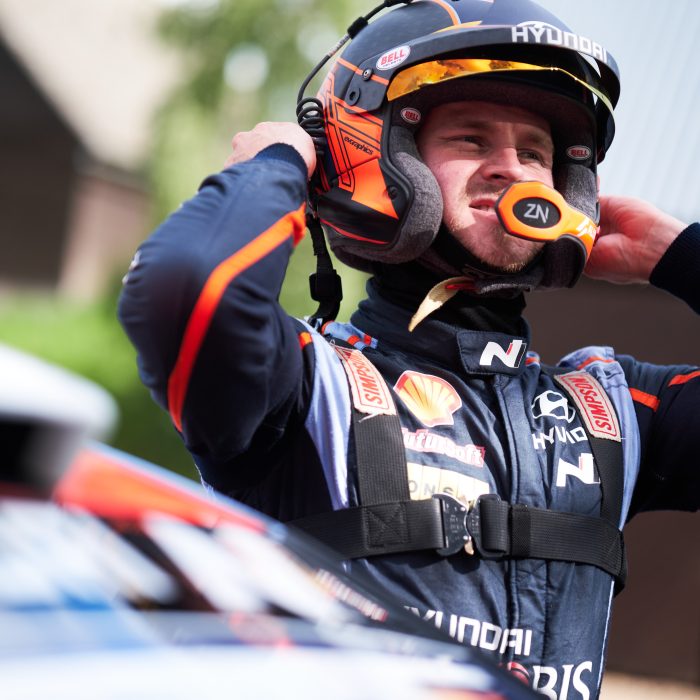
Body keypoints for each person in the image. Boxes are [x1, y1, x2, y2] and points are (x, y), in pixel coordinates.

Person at [118, 0, 699, 697]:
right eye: (471, 140)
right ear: (382, 159)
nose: (510, 169)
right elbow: (186, 285)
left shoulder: (618, 412)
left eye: (535, 153)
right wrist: (279, 165)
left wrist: (678, 254)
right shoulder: (304, 385)